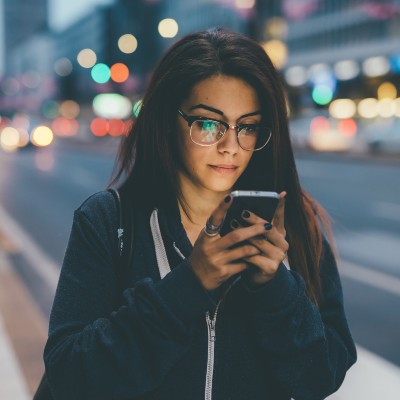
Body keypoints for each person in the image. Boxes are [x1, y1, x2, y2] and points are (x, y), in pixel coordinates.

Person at [43, 28, 357, 400]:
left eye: (248, 127)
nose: (230, 146)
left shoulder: (296, 227)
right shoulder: (109, 221)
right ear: (166, 120)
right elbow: (69, 375)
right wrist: (190, 285)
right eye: (209, 124)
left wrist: (275, 289)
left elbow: (322, 376)